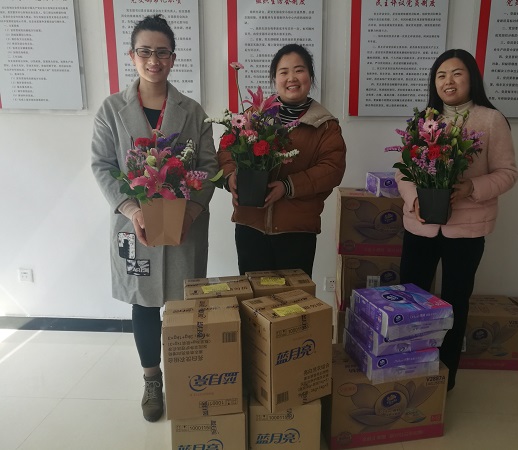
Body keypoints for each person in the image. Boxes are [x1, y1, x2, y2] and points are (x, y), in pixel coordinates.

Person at [91, 15, 218, 421]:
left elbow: (209, 165)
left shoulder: (191, 111)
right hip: (136, 227)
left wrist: (192, 211)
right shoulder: (112, 110)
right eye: (145, 52)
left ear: (173, 58)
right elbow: (102, 165)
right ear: (132, 56)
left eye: (162, 52)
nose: (153, 60)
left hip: (184, 225)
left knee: (183, 304)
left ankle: (186, 377)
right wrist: (131, 209)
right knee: (143, 304)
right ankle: (152, 379)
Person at [396, 49, 518, 391]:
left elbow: (508, 173)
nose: (448, 81)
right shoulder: (423, 120)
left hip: (466, 229)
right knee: (411, 299)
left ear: (471, 78)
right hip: (420, 224)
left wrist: (471, 188)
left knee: (454, 302)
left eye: (456, 73)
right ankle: (408, 369)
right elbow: (403, 171)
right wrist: (414, 198)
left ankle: (444, 378)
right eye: (441, 75)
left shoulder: (491, 120)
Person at [218, 43, 346, 277]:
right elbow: (227, 149)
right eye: (284, 72)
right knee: (253, 295)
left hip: (296, 231)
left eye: (299, 70)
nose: (291, 78)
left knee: (293, 298)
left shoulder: (325, 126)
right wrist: (230, 176)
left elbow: (332, 169)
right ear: (275, 79)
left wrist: (288, 186)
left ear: (310, 77)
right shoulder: (254, 116)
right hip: (250, 226)